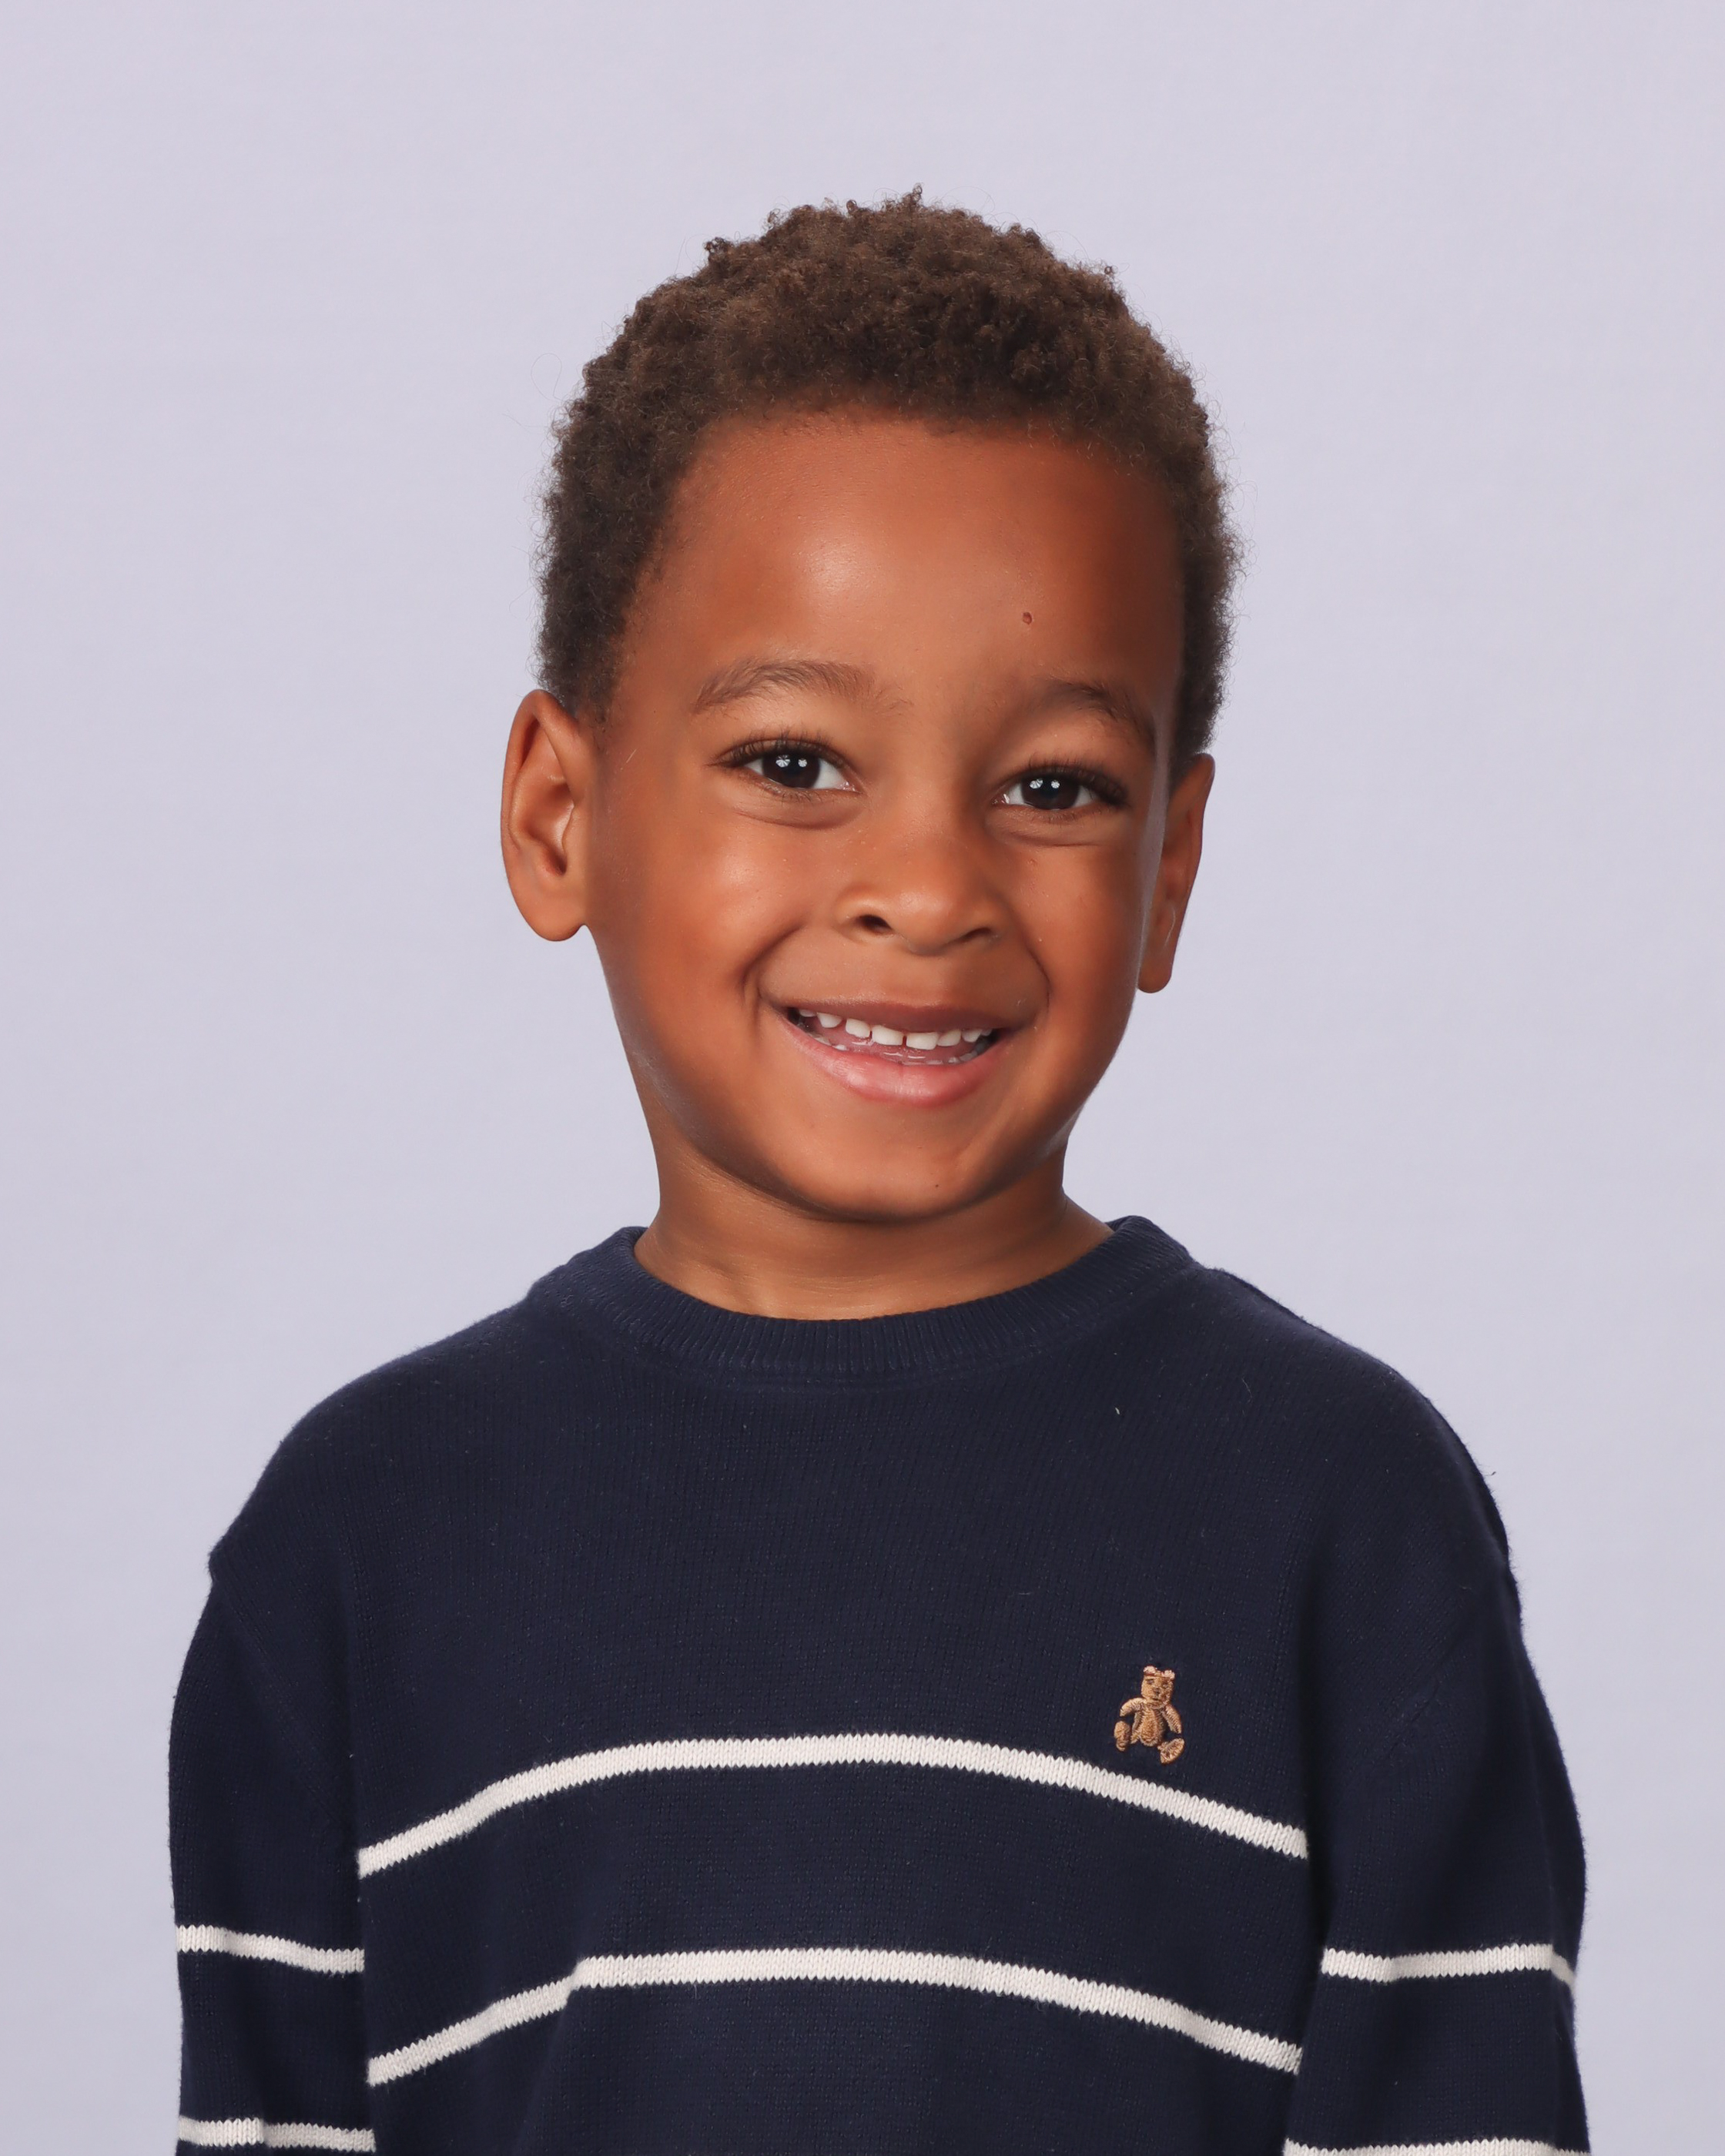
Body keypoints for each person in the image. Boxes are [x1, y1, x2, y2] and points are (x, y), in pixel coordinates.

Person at [168, 196, 1587, 2156]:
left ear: (1168, 868)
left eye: (1053, 788)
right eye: (794, 761)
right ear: (560, 814)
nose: (926, 886)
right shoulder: (355, 1543)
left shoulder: (1341, 1517)